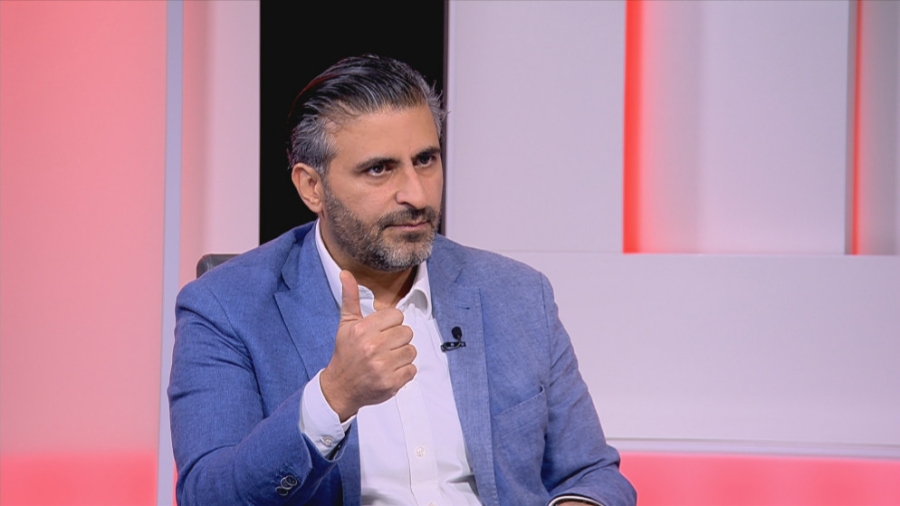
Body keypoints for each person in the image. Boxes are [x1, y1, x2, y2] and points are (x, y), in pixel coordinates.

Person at [168, 55, 636, 506]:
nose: (416, 194)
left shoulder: (516, 294)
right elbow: (208, 495)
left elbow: (590, 474)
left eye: (426, 160)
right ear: (312, 187)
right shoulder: (225, 308)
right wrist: (333, 397)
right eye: (379, 169)